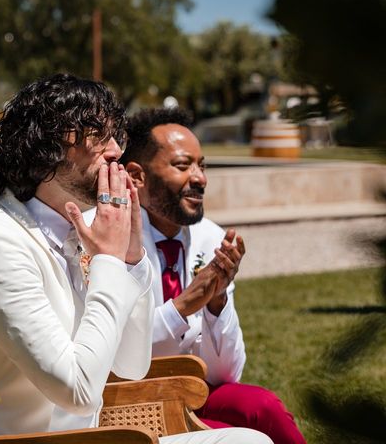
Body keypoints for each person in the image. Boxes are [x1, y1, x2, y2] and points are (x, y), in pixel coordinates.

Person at [0, 74, 272, 444]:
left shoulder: (71, 230)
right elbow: (79, 392)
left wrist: (132, 259)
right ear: (48, 143)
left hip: (93, 436)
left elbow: (132, 365)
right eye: (98, 135)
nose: (117, 150)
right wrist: (109, 261)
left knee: (249, 440)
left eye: (115, 136)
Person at [120, 107, 307, 444]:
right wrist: (186, 305)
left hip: (196, 389)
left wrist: (217, 302)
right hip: (133, 400)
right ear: (136, 176)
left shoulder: (210, 238)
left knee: (265, 408)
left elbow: (228, 373)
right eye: (182, 166)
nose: (200, 178)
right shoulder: (112, 239)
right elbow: (122, 356)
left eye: (202, 166)